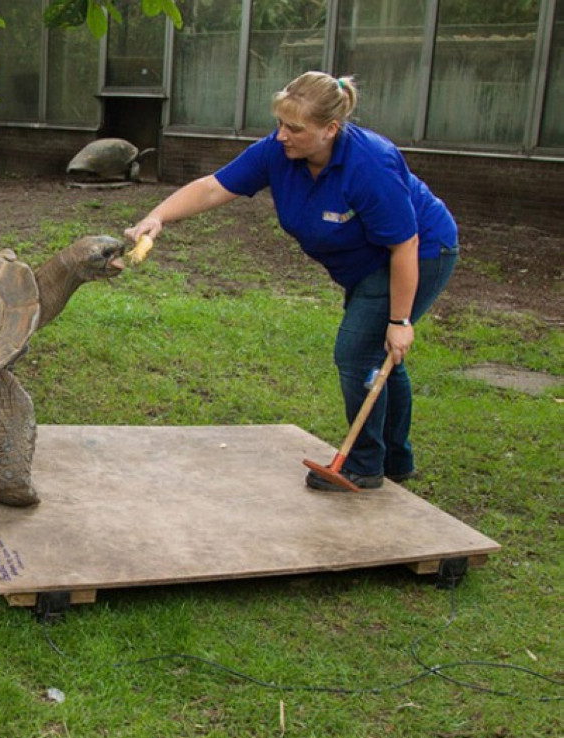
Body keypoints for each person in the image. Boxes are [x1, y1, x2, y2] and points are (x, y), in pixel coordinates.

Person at [125, 71, 459, 491]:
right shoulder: (277, 152)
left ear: (330, 129)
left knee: (358, 352)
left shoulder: (370, 163)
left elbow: (405, 244)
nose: (282, 135)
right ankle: (396, 459)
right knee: (379, 355)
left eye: (295, 128)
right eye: (281, 124)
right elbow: (214, 187)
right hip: (367, 262)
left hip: (420, 253)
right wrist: (158, 216)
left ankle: (364, 464)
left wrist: (400, 320)